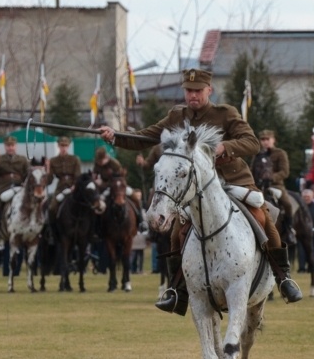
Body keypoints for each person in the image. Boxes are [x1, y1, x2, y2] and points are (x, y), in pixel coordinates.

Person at [99, 68, 302, 313]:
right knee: (177, 232)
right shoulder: (176, 115)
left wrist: (223, 147)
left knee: (262, 217)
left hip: (232, 181)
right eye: (188, 91)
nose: (192, 95)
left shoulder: (225, 113)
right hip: (196, 189)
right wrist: (114, 136)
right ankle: (176, 290)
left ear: (209, 90)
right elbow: (146, 137)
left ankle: (284, 277)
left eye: (197, 91)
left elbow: (252, 142)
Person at [251, 129, 295, 243]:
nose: (265, 142)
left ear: (273, 140)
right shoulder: (257, 155)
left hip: (276, 186)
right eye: (262, 139)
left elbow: (284, 172)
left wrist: (271, 177)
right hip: (259, 187)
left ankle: (289, 230)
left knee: (288, 204)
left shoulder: (280, 153)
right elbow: (252, 171)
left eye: (267, 139)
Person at [0, 136, 29, 245]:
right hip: (3, 187)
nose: (10, 148)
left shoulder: (23, 159)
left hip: (19, 186)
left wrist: (25, 183)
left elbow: (27, 174)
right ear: (5, 147)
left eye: (12, 145)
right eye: (8, 146)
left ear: (16, 146)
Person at [46, 136, 83, 238]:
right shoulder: (53, 160)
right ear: (58, 146)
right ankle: (52, 231)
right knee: (52, 207)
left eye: (66, 146)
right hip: (61, 187)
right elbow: (49, 180)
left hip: (73, 187)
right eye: (62, 146)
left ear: (69, 146)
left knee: (86, 205)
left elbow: (78, 176)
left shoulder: (75, 159)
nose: (63, 148)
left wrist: (75, 186)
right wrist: (48, 169)